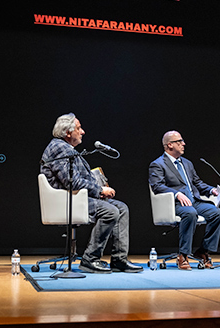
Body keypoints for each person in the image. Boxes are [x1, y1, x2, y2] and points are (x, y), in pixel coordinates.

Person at [40, 113, 143, 274]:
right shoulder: (59, 148)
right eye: (79, 128)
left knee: (121, 208)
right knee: (110, 211)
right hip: (66, 200)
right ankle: (90, 259)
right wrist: (100, 190)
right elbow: (71, 181)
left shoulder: (68, 149)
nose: (83, 132)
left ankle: (119, 260)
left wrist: (99, 190)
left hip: (78, 197)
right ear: (68, 132)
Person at [148, 130, 220, 270]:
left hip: (193, 201)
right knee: (190, 213)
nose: (184, 144)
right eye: (179, 141)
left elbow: (197, 183)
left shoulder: (187, 163)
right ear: (170, 145)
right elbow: (157, 186)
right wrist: (176, 194)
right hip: (173, 204)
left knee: (217, 213)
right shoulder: (157, 164)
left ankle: (203, 251)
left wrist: (210, 190)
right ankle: (183, 255)